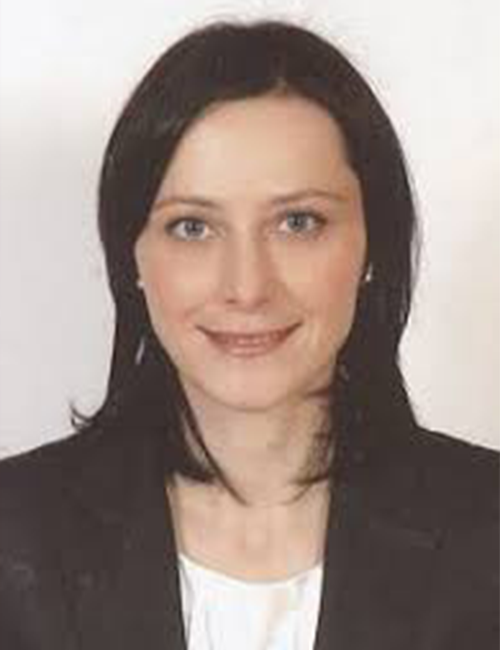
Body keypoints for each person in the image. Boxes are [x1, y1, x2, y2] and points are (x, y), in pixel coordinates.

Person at [0, 18, 498, 650]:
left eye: (298, 222)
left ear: (373, 246)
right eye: (193, 227)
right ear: (132, 259)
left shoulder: (486, 532)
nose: (247, 286)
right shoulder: (16, 536)